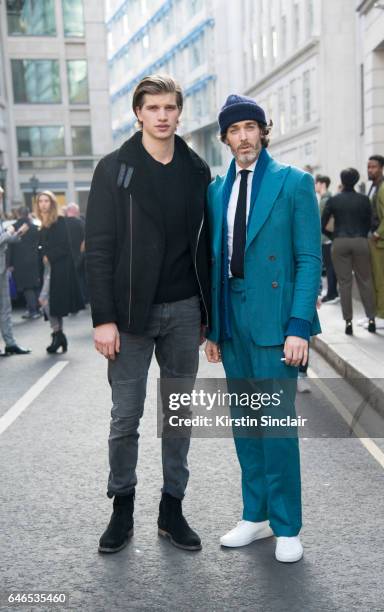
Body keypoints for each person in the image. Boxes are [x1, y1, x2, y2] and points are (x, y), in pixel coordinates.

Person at [85, 74, 211, 554]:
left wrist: (208, 315)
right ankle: (122, 509)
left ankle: (172, 508)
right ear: (138, 112)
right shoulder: (114, 168)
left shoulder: (197, 170)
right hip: (130, 316)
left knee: (177, 417)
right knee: (125, 418)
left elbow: (207, 250)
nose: (162, 116)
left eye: (170, 108)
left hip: (183, 311)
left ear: (180, 113)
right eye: (152, 107)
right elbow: (98, 248)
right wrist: (103, 318)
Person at [205, 95, 321, 563]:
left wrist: (299, 326)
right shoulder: (217, 190)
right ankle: (255, 515)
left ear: (263, 132)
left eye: (251, 127)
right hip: (232, 319)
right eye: (235, 130)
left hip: (276, 322)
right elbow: (214, 262)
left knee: (276, 427)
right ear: (225, 138)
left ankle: (287, 525)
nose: (244, 137)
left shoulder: (294, 183)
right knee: (245, 424)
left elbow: (309, 259)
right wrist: (213, 328)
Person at [321, 168, 376, 336]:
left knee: (344, 283)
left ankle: (348, 322)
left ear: (342, 180)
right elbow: (371, 222)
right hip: (360, 240)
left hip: (340, 242)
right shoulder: (364, 200)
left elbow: (322, 224)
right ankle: (372, 319)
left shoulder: (334, 200)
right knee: (365, 280)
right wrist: (362, 233)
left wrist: (334, 235)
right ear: (357, 180)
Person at [35, 191, 84, 353]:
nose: (43, 204)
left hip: (59, 269)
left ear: (52, 203)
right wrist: (43, 255)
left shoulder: (59, 221)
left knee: (44, 300)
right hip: (49, 269)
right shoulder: (43, 223)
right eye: (40, 201)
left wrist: (49, 256)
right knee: (52, 304)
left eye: (46, 201)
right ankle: (58, 336)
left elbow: (65, 246)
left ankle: (58, 334)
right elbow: (42, 246)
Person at [363, 155, 384, 329]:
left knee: (380, 278)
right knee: (373, 277)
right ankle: (374, 314)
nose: (370, 170)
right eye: (368, 167)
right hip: (372, 239)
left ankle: (383, 315)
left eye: (374, 167)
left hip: (379, 241)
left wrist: (376, 235)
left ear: (381, 168)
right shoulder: (374, 187)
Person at [0, 191, 31, 355]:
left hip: (2, 268)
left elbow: (5, 240)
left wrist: (18, 233)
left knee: (5, 308)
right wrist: (10, 232)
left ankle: (10, 342)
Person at [8, 206, 41, 319]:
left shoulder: (14, 227)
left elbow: (10, 246)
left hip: (19, 261)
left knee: (27, 287)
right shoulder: (34, 227)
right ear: (27, 214)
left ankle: (33, 310)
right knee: (34, 285)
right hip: (34, 259)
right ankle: (36, 308)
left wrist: (9, 264)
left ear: (18, 214)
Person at [315, 175, 339, 304]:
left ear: (322, 184)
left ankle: (332, 293)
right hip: (326, 237)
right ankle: (331, 292)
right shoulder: (324, 199)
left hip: (326, 238)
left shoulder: (326, 199)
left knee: (330, 266)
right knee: (329, 265)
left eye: (316, 183)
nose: (315, 186)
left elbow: (324, 221)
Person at [65, 202, 87, 305]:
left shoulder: (62, 223)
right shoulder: (81, 223)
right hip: (80, 254)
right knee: (81, 278)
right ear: (75, 211)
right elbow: (86, 239)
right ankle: (83, 298)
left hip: (67, 255)